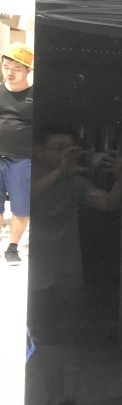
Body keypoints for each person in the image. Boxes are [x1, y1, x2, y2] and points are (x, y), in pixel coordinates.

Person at [28, 125, 122, 405]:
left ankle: (57, 401)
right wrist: (59, 171)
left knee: (48, 335)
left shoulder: (74, 183)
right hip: (14, 272)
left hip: (44, 275)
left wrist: (121, 178)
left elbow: (109, 203)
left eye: (70, 149)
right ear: (38, 151)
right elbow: (22, 200)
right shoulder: (22, 174)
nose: (65, 155)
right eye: (57, 148)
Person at [0, 42, 34, 264]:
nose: (9, 72)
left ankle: (12, 247)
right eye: (6, 67)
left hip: (22, 159)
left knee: (21, 206)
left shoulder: (36, 96)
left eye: (16, 68)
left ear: (28, 70)